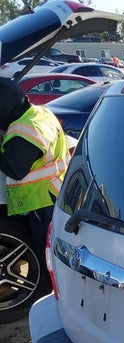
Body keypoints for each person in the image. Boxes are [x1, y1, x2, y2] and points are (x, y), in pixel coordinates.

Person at [0, 77, 69, 250]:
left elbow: (15, 169)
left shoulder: (23, 132)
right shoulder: (38, 113)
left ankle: (46, 277)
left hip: (42, 202)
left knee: (46, 252)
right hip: (55, 193)